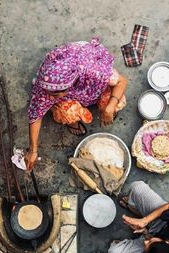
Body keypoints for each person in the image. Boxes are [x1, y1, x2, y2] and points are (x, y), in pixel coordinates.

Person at [25, 38, 127, 171]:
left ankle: (106, 109)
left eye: (54, 95)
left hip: (86, 66)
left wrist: (110, 107)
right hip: (68, 83)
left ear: (68, 87)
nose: (49, 98)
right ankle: (73, 119)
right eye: (48, 93)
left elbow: (122, 81)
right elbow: (36, 115)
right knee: (65, 112)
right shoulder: (46, 81)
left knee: (115, 100)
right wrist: (33, 151)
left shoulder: (94, 71)